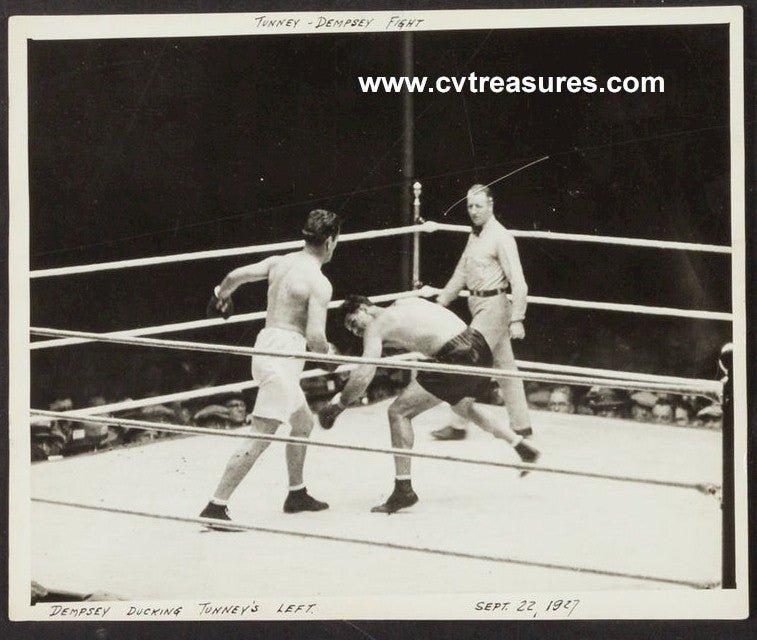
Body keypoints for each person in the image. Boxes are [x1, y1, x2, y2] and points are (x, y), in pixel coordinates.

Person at [318, 295, 541, 514]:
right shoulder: (406, 302)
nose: (355, 331)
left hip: (457, 356)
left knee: (398, 412)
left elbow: (364, 374)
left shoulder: (377, 326)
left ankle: (403, 489)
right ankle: (521, 446)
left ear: (363, 309)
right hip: (477, 345)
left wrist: (339, 404)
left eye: (353, 323)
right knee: (463, 407)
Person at [199, 209, 342, 528]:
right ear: (330, 241)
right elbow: (315, 337)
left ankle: (296, 493)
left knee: (303, 423)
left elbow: (234, 276)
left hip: (266, 345)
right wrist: (331, 358)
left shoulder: (280, 262)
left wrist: (221, 297)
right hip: (284, 356)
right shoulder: (319, 282)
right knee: (261, 436)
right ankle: (216, 505)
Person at [431, 184, 533, 441]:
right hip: (478, 304)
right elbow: (462, 272)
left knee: (466, 360)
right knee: (506, 368)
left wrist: (517, 318)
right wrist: (442, 300)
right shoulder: (475, 235)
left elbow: (519, 282)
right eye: (470, 206)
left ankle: (457, 425)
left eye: (478, 206)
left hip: (493, 307)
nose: (474, 211)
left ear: (491, 205)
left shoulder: (501, 237)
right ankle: (522, 427)